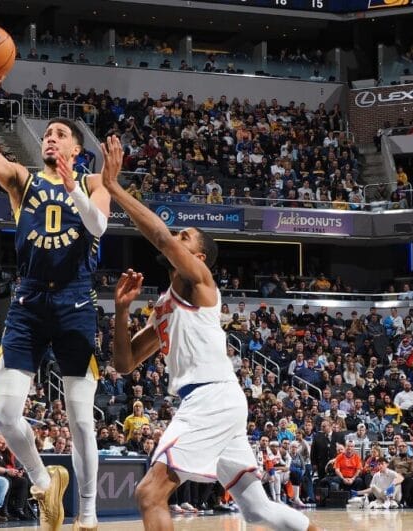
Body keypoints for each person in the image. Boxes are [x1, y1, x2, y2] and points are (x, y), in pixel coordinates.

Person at [102, 133, 318, 531]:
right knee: (257, 510)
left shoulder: (201, 282)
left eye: (185, 238)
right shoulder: (165, 306)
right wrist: (120, 310)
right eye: (179, 235)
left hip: (211, 399)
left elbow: (161, 237)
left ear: (197, 257)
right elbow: (125, 362)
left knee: (149, 494)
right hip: (215, 400)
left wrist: (114, 187)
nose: (176, 239)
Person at [0, 73, 116, 531]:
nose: (51, 139)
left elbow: (98, 228)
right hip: (29, 306)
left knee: (80, 420)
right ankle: (42, 479)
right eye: (48, 134)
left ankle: (86, 512)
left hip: (75, 307)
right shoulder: (22, 181)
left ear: (75, 149)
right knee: (4, 414)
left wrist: (74, 185)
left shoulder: (93, 181)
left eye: (60, 134)